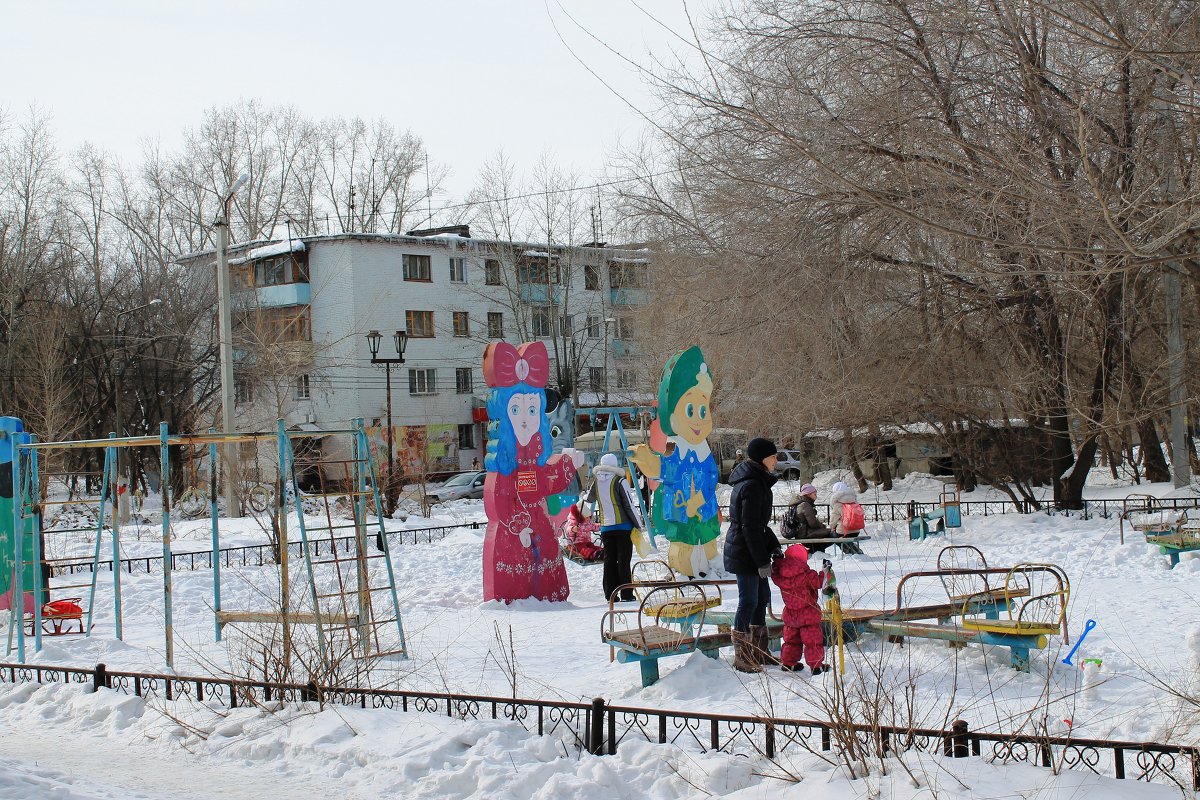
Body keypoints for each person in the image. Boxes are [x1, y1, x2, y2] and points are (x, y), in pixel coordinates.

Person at [723, 437, 783, 673]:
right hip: (744, 551)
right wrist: (760, 561)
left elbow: (760, 526)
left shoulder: (758, 482)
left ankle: (759, 650)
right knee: (748, 600)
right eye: (773, 456)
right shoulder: (751, 485)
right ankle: (743, 655)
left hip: (752, 548)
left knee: (762, 598)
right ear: (762, 458)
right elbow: (749, 527)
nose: (776, 461)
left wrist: (774, 546)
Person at [771, 544, 831, 675]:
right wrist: (825, 571)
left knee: (791, 641)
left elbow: (774, 575)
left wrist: (777, 563)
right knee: (813, 642)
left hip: (791, 615)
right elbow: (820, 582)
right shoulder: (807, 574)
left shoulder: (781, 575)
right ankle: (816, 666)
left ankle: (788, 663)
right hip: (808, 614)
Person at [591, 453, 643, 602]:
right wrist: (638, 524)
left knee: (609, 560)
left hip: (606, 528)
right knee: (623, 560)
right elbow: (629, 505)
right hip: (623, 527)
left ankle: (610, 594)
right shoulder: (619, 481)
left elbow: (589, 498)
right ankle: (626, 593)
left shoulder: (597, 482)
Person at [829, 480, 865, 555]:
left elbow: (833, 520)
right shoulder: (854, 501)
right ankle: (853, 548)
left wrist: (831, 528)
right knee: (843, 537)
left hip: (843, 532)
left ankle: (849, 550)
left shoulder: (838, 504)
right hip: (856, 531)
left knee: (832, 536)